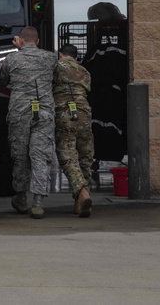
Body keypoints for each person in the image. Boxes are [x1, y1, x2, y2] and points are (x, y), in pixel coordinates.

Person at [0, 26, 56, 219]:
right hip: (44, 111)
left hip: (20, 112)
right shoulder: (50, 58)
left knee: (20, 156)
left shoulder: (12, 59)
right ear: (38, 41)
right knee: (41, 155)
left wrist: (17, 50)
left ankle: (21, 199)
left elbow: (3, 80)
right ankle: (38, 203)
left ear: (20, 41)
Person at [54, 44, 94, 217]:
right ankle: (82, 199)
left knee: (67, 152)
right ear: (76, 57)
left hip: (64, 112)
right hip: (84, 112)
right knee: (85, 154)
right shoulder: (85, 72)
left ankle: (81, 190)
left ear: (60, 55)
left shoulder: (56, 67)